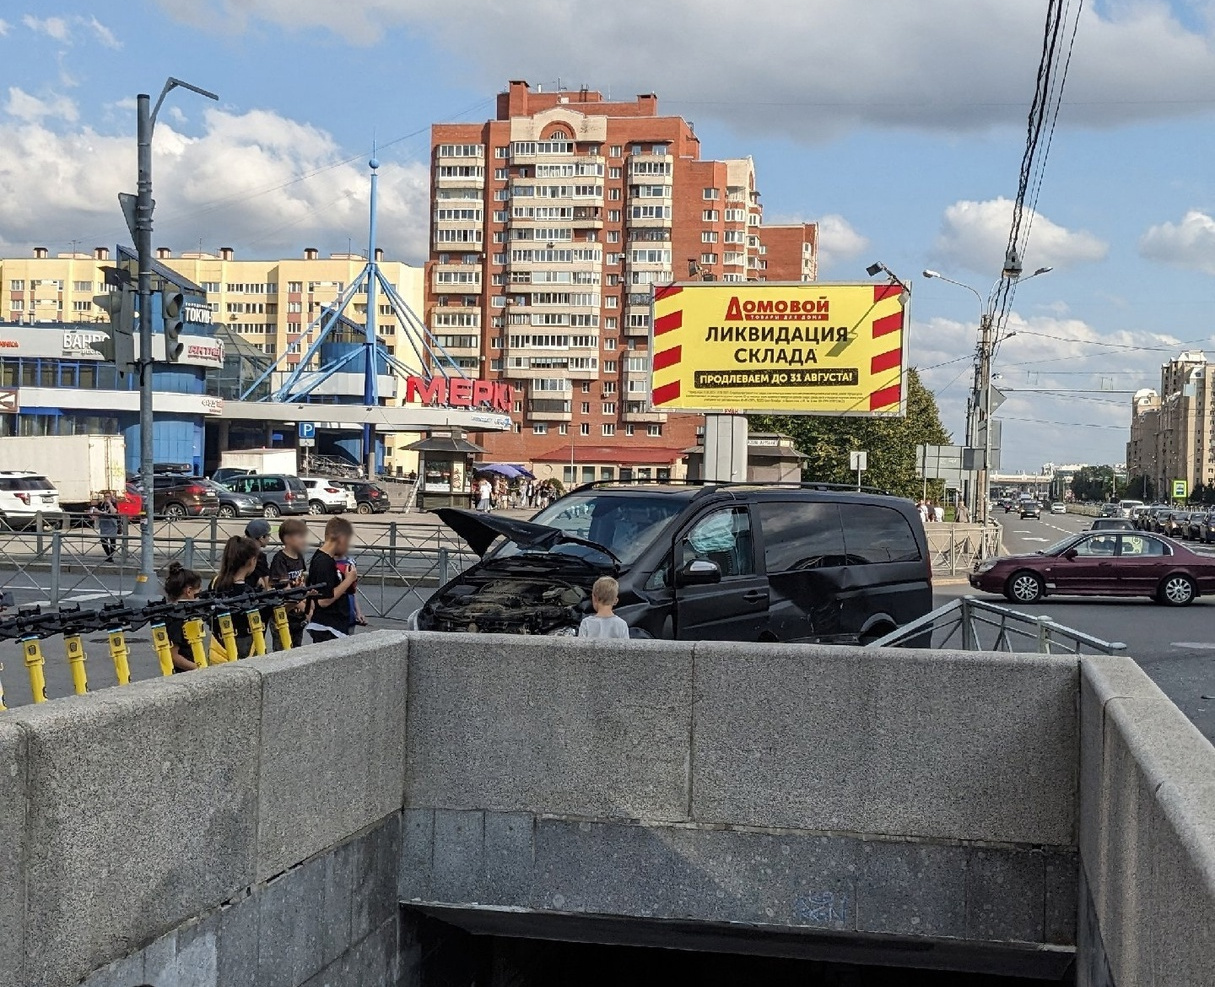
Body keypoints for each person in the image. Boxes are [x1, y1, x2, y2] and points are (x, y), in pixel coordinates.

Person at [306, 516, 359, 643]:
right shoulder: (324, 562)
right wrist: (349, 579)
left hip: (333, 627)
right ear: (341, 538)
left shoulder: (323, 558)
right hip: (328, 628)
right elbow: (324, 600)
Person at [210, 535, 261, 659]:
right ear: (251, 561)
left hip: (218, 646)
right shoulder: (247, 591)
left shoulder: (216, 582)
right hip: (243, 646)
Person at [269, 518, 310, 648]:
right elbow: (285, 589)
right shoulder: (280, 559)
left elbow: (301, 579)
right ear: (287, 539)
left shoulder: (299, 556)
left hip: (297, 613)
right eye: (300, 537)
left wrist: (305, 598)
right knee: (283, 647)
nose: (303, 540)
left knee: (296, 645)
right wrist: (302, 604)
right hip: (284, 611)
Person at [162, 562, 202, 672]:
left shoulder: (175, 612)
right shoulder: (177, 617)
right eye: (198, 593)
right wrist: (199, 669)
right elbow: (173, 655)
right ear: (189, 591)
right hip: (185, 673)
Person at [578, 576, 630, 640]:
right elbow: (625, 648)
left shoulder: (586, 623)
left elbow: (580, 648)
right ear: (615, 600)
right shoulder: (622, 624)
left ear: (595, 598)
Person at [244, 519, 273, 589]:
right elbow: (267, 583)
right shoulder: (260, 556)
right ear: (261, 538)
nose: (269, 539)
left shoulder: (241, 551)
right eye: (268, 535)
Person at [92, 491, 119, 562]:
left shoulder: (113, 504)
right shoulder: (101, 504)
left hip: (112, 524)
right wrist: (101, 512)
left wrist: (110, 503)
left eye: (108, 496)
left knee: (112, 540)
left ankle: (111, 556)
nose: (107, 498)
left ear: (111, 497)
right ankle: (108, 555)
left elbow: (114, 512)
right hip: (104, 524)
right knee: (103, 540)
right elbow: (95, 510)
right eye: (105, 496)